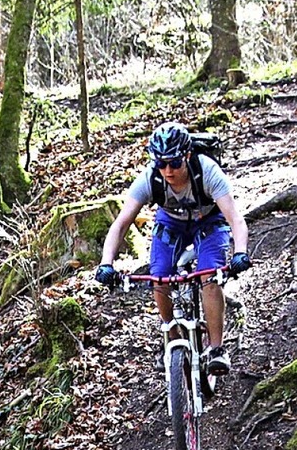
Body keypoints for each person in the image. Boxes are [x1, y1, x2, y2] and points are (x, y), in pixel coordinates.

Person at [95, 122, 251, 375]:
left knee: (209, 277)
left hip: (209, 222)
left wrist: (240, 252)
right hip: (170, 224)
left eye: (174, 163)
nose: (167, 170)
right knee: (159, 277)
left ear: (187, 156)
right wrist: (106, 263)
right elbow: (121, 223)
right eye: (161, 164)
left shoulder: (207, 171)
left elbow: (235, 218)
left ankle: (216, 348)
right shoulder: (150, 179)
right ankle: (172, 337)